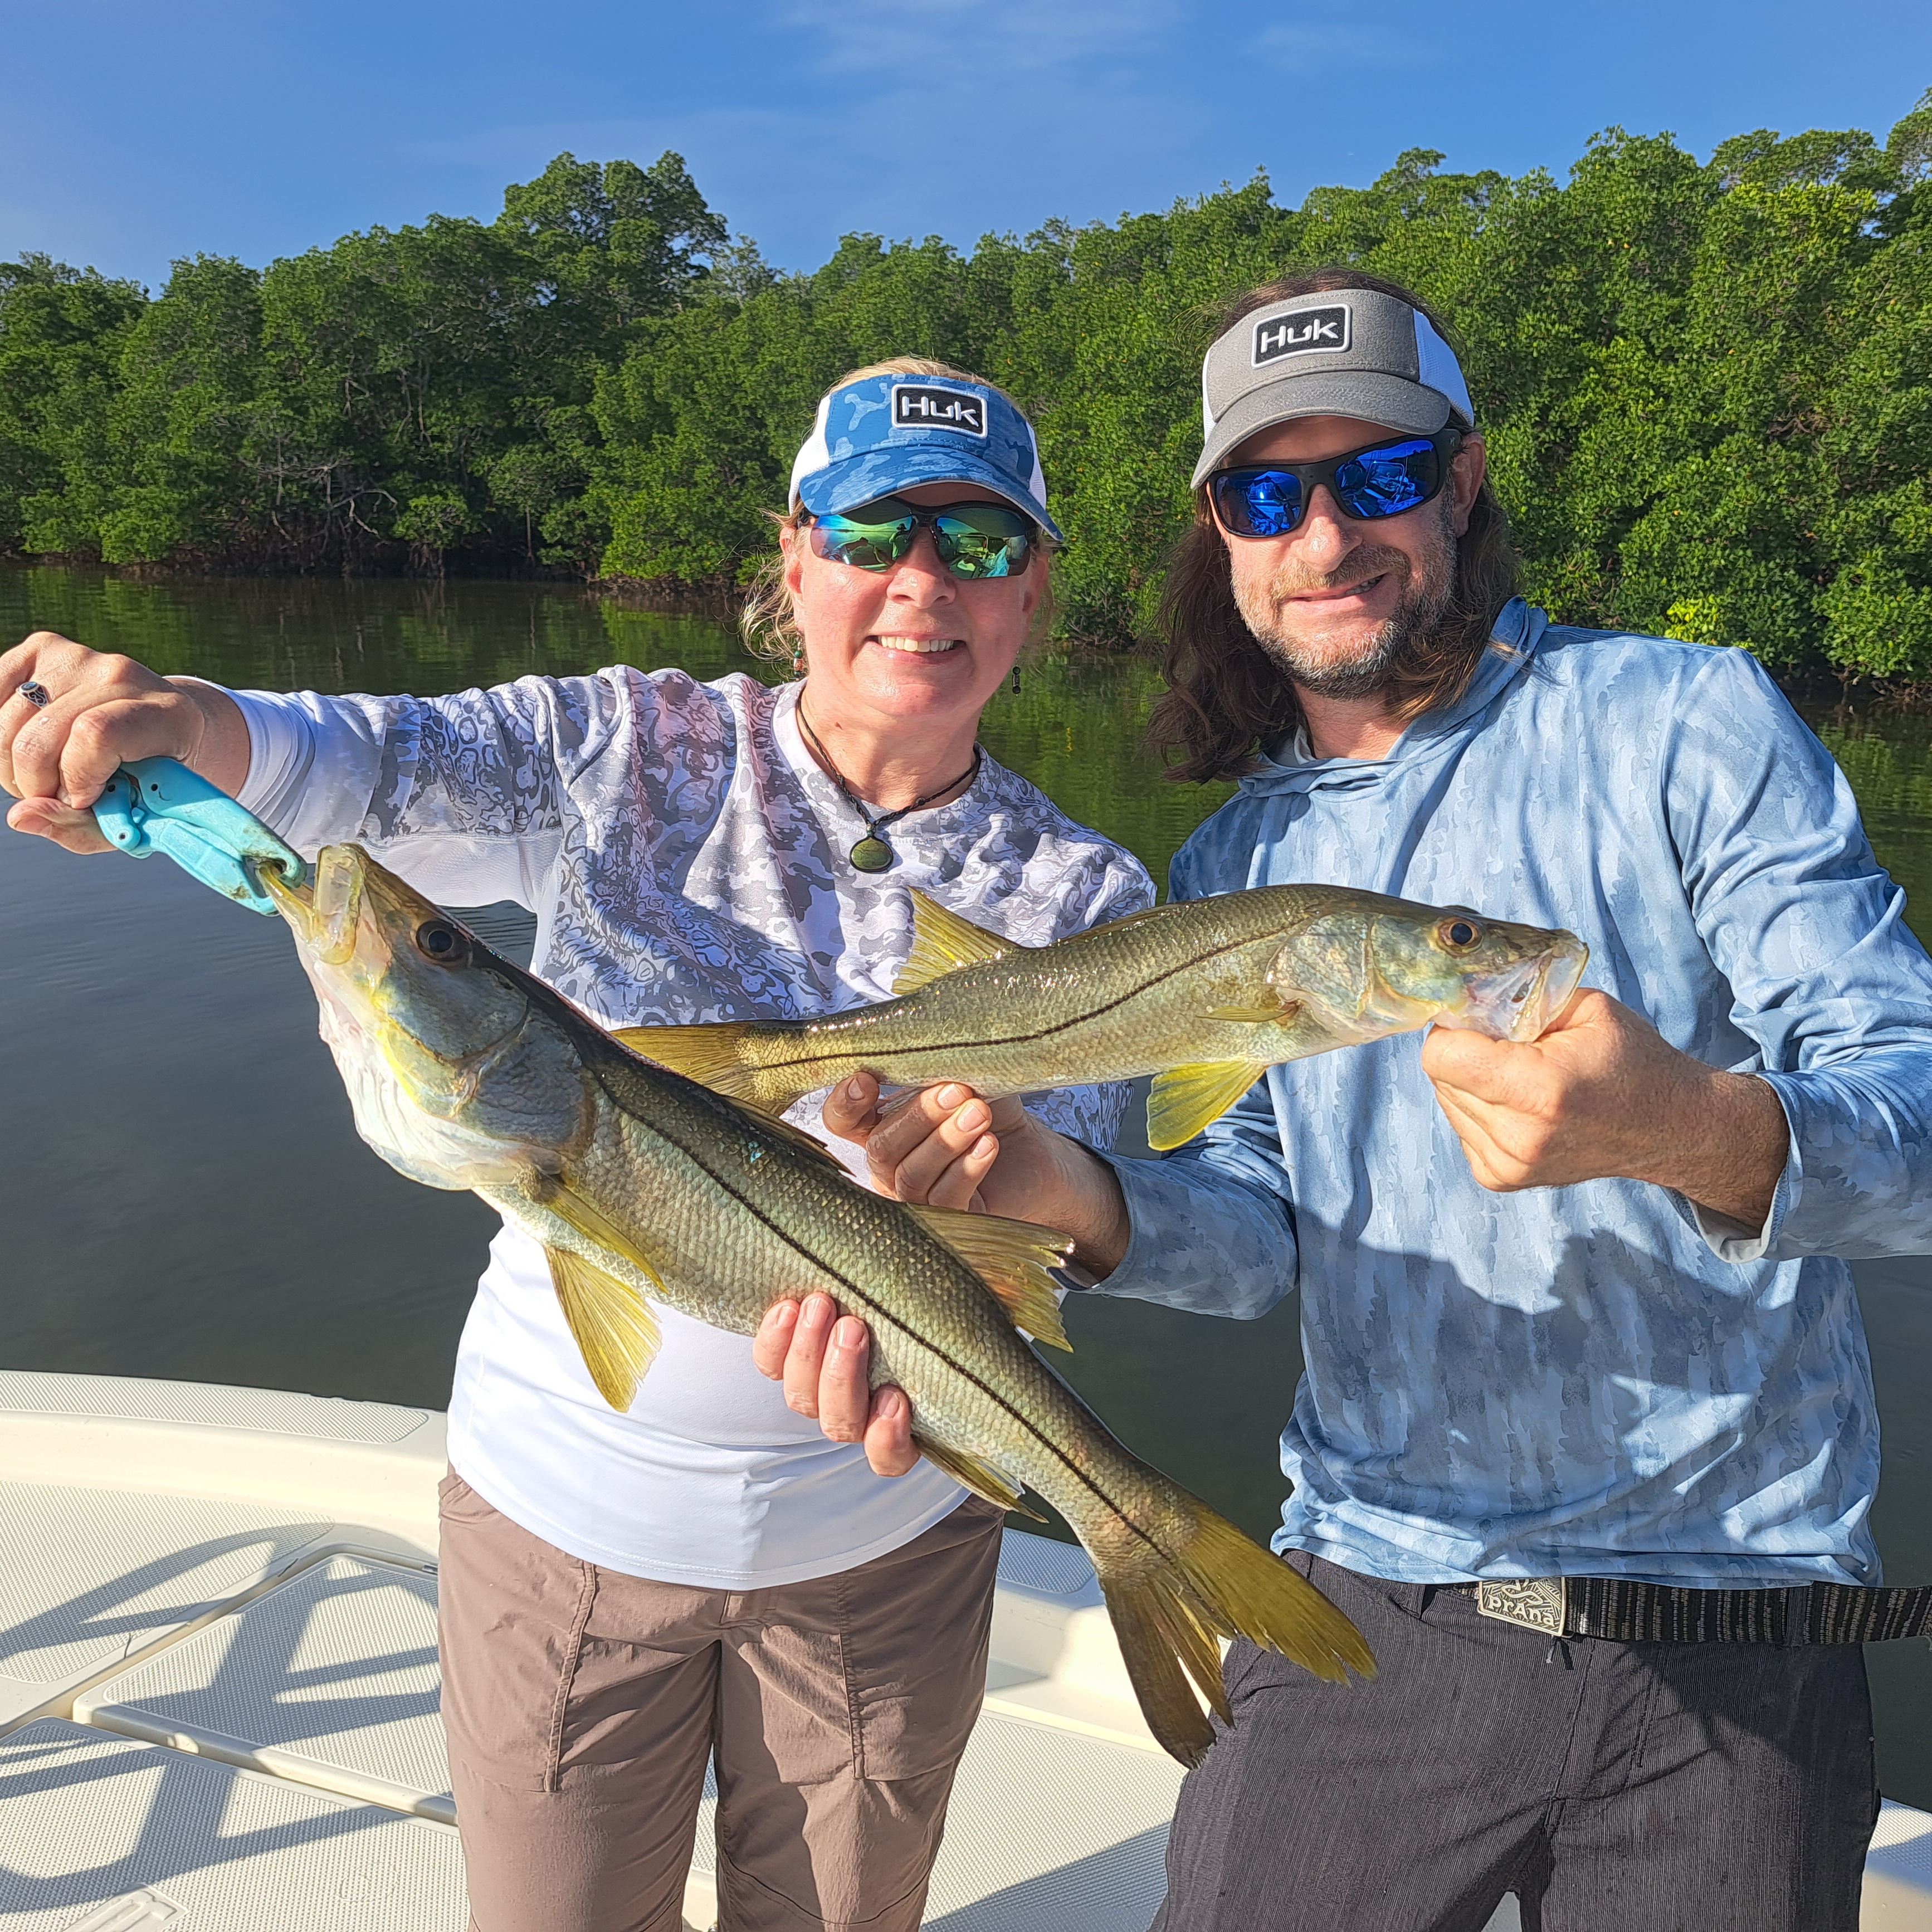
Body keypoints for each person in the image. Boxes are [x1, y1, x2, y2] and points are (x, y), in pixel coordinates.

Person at [819, 274, 1932, 1931]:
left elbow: (1911, 1110)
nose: (1325, 536)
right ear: (1220, 531)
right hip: (1374, 1582)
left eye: (1377, 478)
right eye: (1269, 495)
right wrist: (1078, 1197)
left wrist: (1692, 1127)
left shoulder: (1684, 724)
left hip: (1739, 1605)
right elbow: (1262, 1234)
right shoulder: (1229, 865)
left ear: (1461, 478)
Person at [0, 358, 1154, 1932]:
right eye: (875, 527)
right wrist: (182, 722)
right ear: (795, 557)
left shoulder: (1083, 898)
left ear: (1036, 591)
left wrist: (1022, 1186)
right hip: (563, 1526)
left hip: (885, 1549)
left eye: (981, 541)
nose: (922, 580)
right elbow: (353, 763)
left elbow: (1070, 1236)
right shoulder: (622, 742)